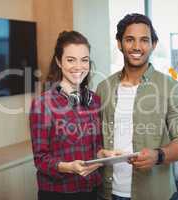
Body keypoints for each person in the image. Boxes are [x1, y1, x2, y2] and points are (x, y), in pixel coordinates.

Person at [96, 13, 178, 200]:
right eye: (129, 40)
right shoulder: (103, 88)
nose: (136, 47)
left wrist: (158, 156)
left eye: (144, 40)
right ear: (119, 43)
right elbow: (95, 138)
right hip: (107, 192)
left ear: (153, 45)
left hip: (152, 194)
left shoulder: (171, 88)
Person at [29, 30, 104, 200]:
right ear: (59, 61)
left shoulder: (95, 101)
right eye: (71, 60)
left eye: (84, 60)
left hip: (92, 190)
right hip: (58, 193)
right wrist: (69, 167)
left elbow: (95, 147)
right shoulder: (43, 104)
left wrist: (103, 155)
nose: (79, 66)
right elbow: (40, 159)